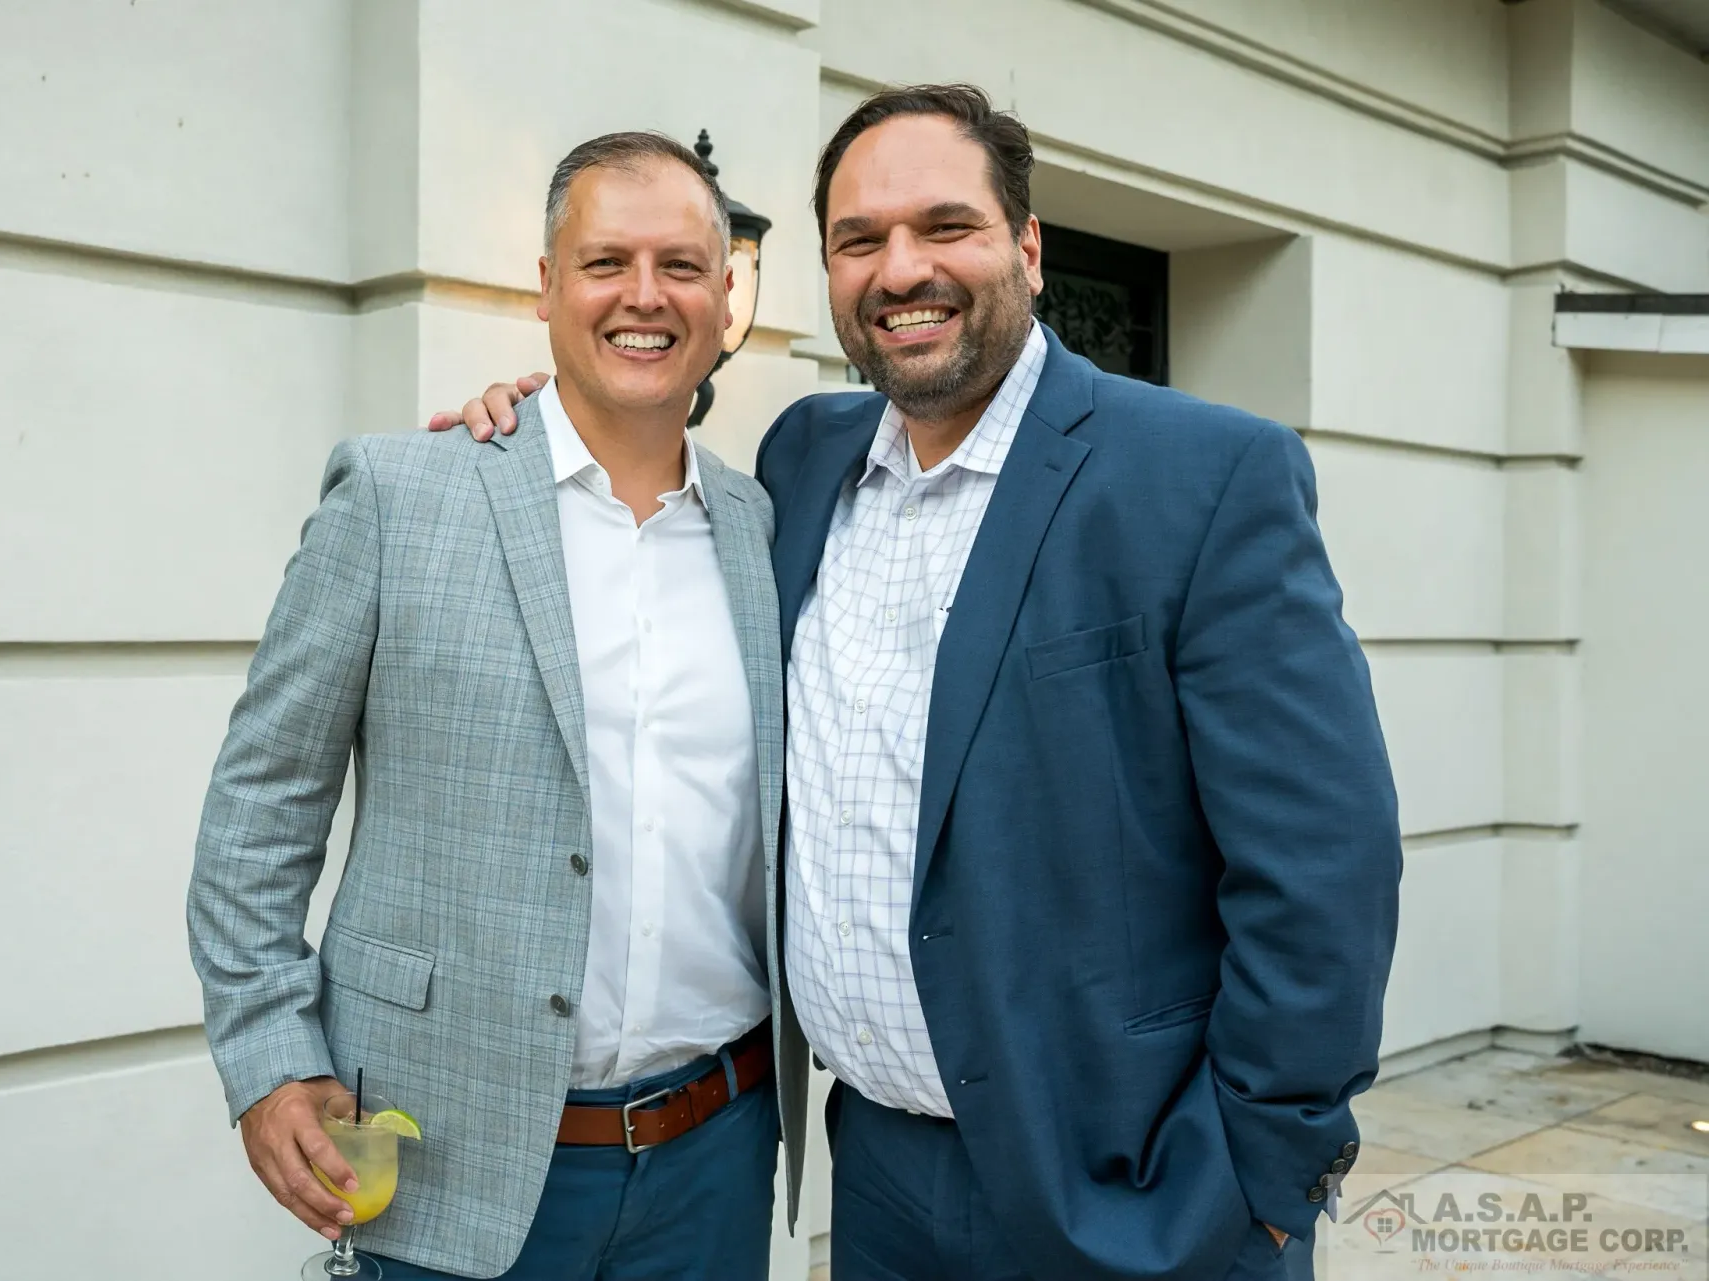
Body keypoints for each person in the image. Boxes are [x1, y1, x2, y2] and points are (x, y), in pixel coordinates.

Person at [430, 84, 1402, 1281]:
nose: (902, 270)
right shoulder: (805, 460)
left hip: (1136, 1193)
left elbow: (1323, 866)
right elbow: (638, 450)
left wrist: (1262, 1169)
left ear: (1027, 251)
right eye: (859, 240)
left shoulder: (1203, 477)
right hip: (878, 1183)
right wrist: (528, 415)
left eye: (946, 227)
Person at [187, 131, 810, 1281]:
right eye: (604, 262)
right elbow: (259, 805)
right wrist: (269, 1056)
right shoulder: (401, 495)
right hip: (453, 1163)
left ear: (728, 296)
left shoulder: (764, 528)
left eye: (681, 265)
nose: (644, 296)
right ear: (544, 286)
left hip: (716, 1158)